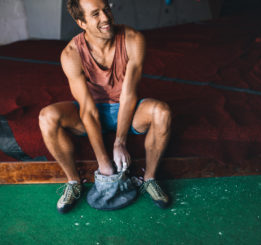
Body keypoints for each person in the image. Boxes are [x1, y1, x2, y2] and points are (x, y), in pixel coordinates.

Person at [39, 0, 171, 213]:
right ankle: (73, 182)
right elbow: (88, 110)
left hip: (127, 107)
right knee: (47, 117)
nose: (106, 18)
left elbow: (129, 94)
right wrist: (103, 161)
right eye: (95, 14)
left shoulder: (133, 39)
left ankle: (149, 179)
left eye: (106, 9)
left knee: (162, 112)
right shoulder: (71, 54)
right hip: (92, 112)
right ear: (81, 22)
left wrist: (120, 142)